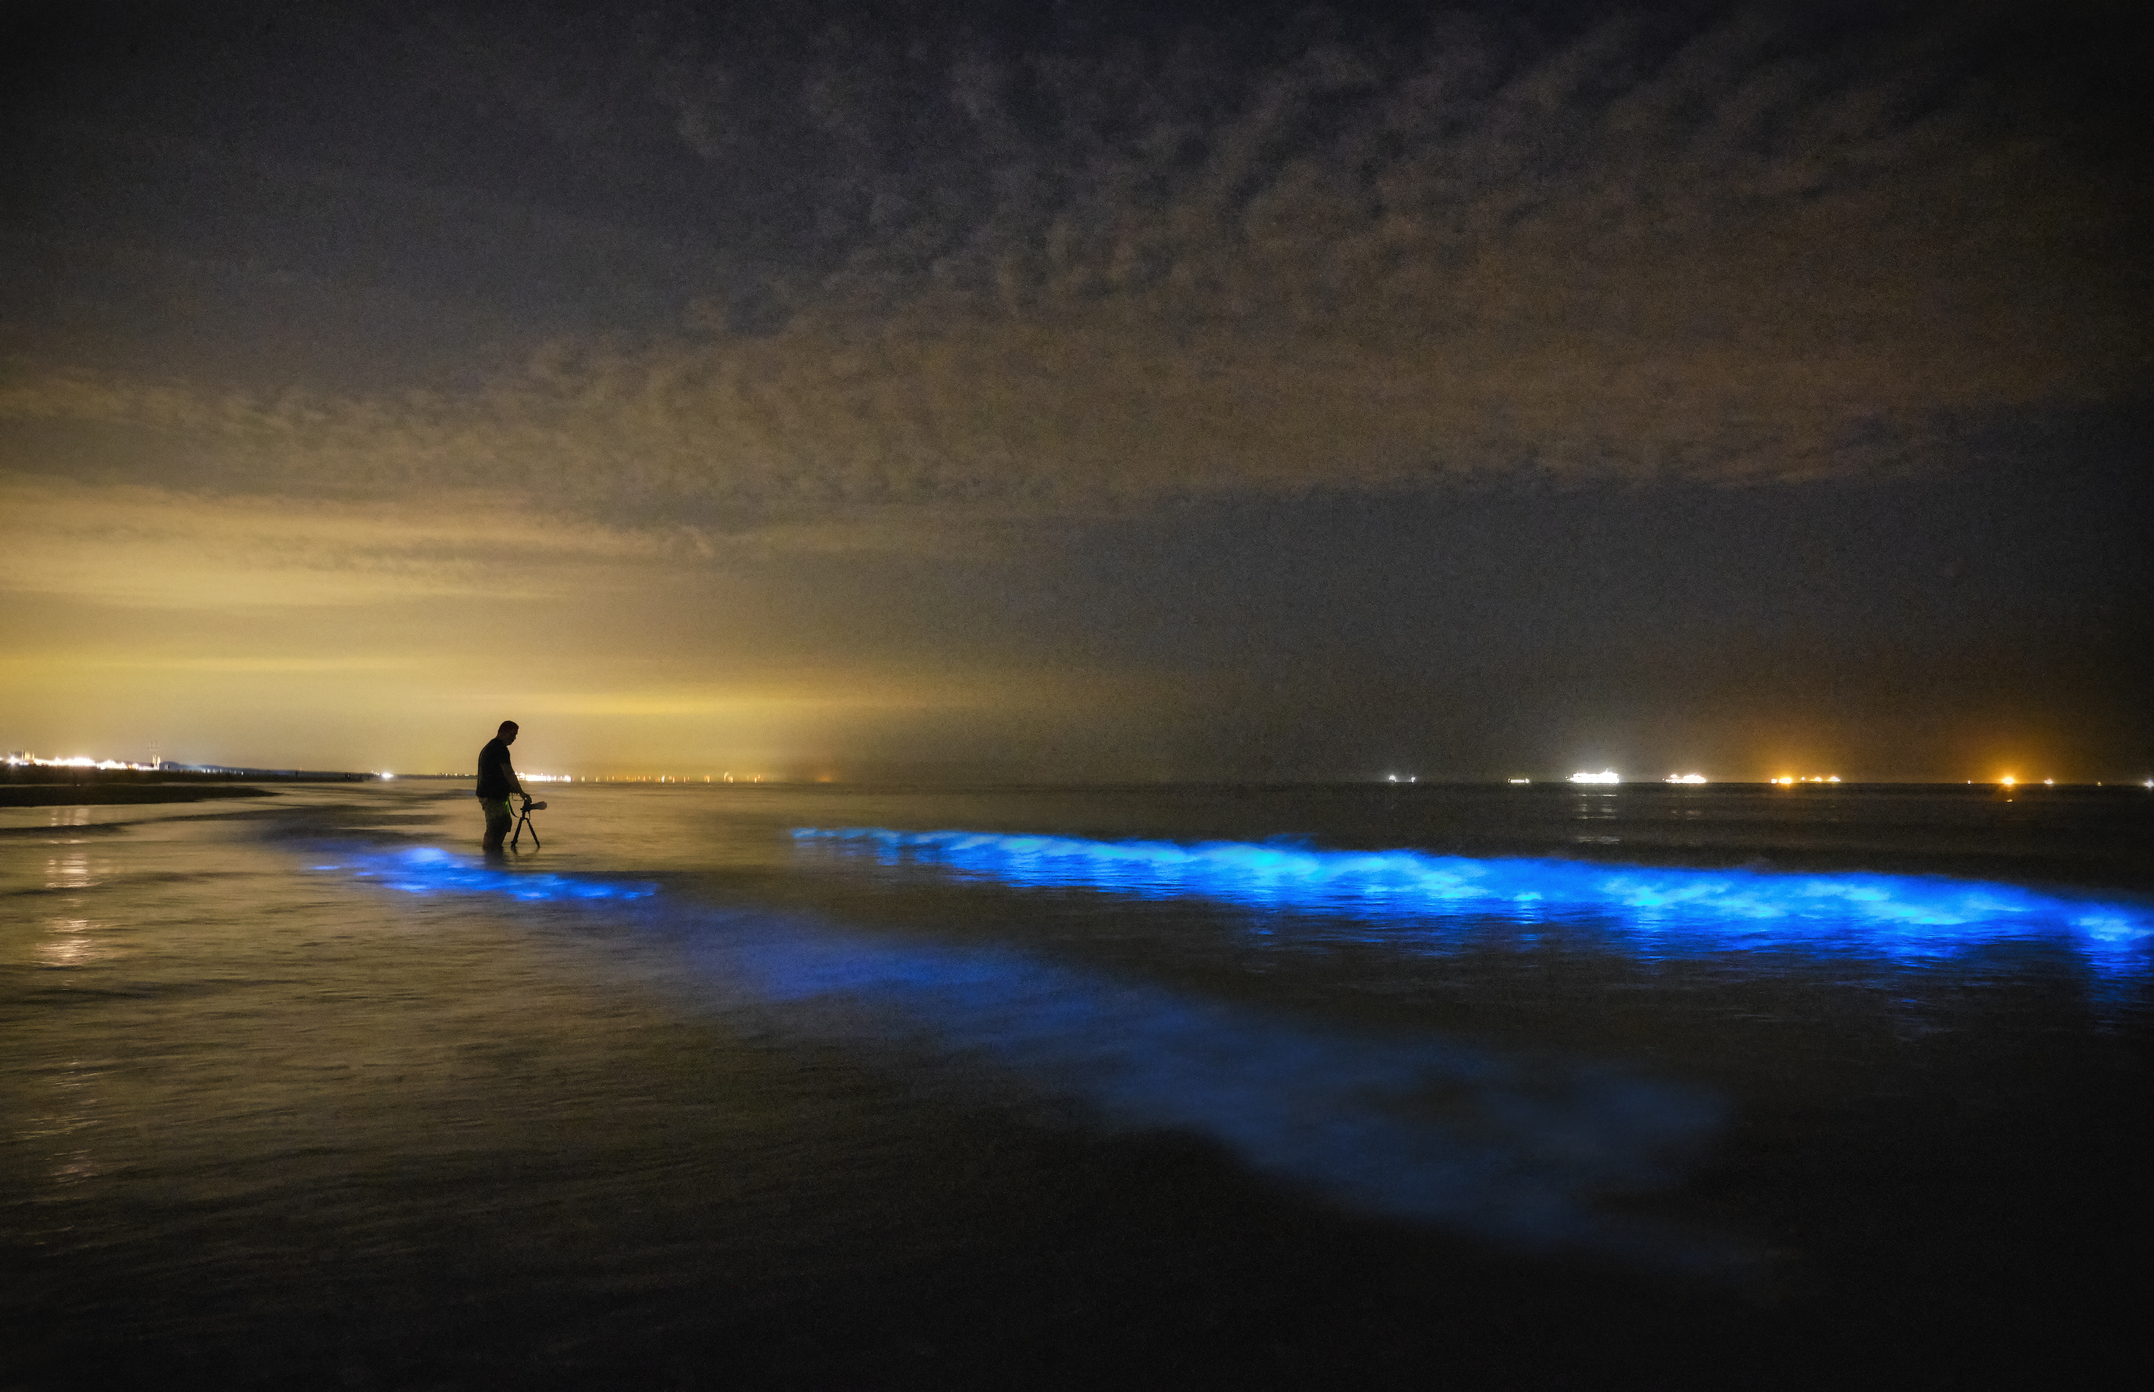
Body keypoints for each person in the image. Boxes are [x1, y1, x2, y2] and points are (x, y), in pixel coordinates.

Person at [476, 720, 527, 853]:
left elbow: (495, 773)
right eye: (513, 735)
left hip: (490, 794)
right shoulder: (500, 749)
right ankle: (492, 855)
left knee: (501, 824)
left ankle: (494, 855)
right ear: (505, 733)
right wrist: (521, 792)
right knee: (496, 827)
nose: (514, 738)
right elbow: (508, 772)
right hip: (493, 796)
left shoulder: (490, 747)